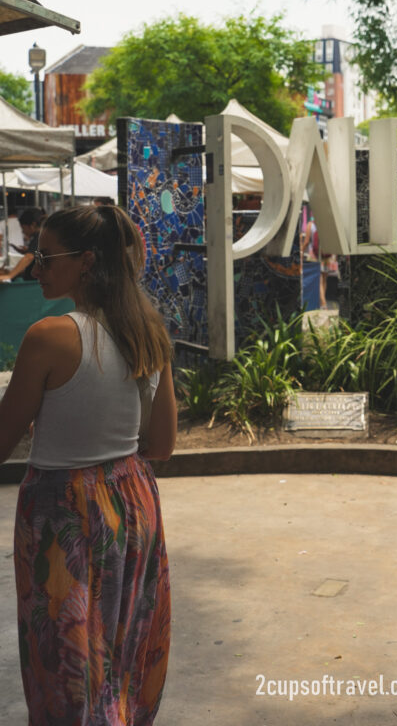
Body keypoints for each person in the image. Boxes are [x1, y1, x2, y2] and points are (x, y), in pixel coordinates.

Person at [0, 204, 176, 725]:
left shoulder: (49, 337)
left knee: (66, 668)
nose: (36, 267)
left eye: (46, 256)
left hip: (64, 514)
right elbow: (162, 445)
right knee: (122, 655)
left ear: (86, 261)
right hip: (132, 503)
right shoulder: (147, 331)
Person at [0, 207, 45, 281]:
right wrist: (26, 251)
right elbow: (35, 253)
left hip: (34, 282)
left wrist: (9, 275)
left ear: (32, 225)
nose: (23, 232)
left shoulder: (39, 237)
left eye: (23, 228)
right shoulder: (38, 237)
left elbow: (29, 257)